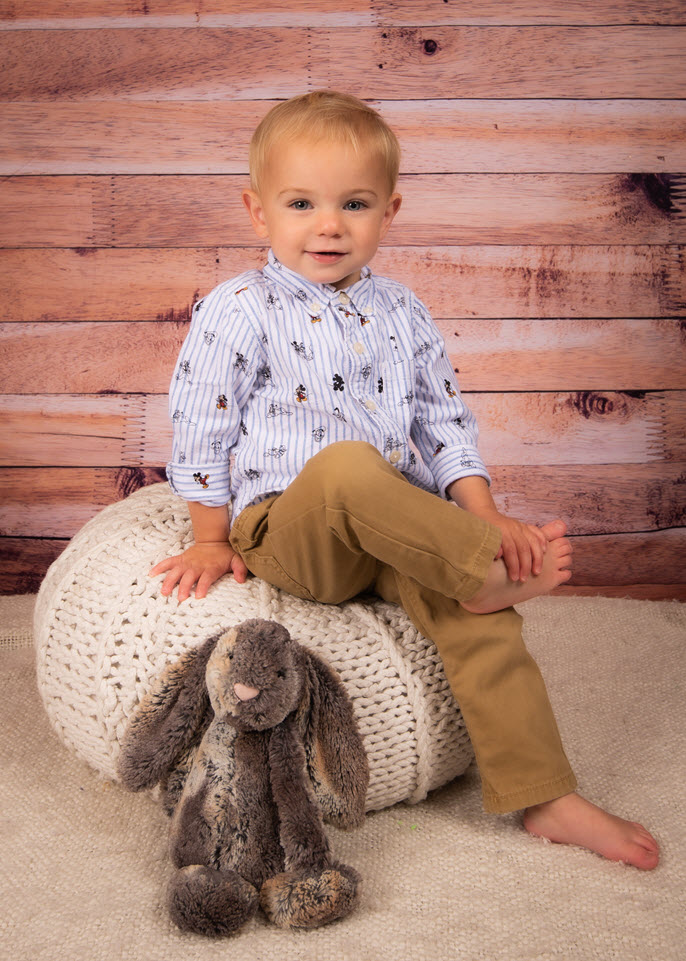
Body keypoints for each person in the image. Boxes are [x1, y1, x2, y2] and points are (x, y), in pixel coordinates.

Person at [150, 90, 659, 870]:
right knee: (349, 464)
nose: (329, 225)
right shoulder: (241, 308)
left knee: (479, 614)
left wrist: (484, 516)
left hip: (394, 525)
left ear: (389, 212)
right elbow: (202, 420)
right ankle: (473, 567)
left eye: (354, 204)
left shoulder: (404, 311)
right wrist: (210, 537)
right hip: (292, 527)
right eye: (301, 203)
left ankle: (546, 795)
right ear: (258, 212)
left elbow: (443, 420)